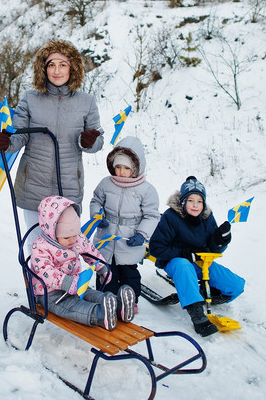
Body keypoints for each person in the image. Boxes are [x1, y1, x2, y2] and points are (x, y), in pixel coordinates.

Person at [0, 40, 103, 248]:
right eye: (51, 64)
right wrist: (6, 143)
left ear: (72, 68)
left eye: (63, 65)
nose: (56, 71)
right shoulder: (30, 98)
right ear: (43, 69)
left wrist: (89, 141)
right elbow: (19, 136)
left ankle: (65, 282)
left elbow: (97, 141)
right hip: (34, 185)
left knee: (65, 247)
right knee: (36, 247)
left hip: (68, 187)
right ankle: (34, 281)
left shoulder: (86, 102)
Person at [148, 176, 245, 337]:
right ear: (183, 201)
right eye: (191, 200)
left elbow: (213, 249)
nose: (195, 205)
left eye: (199, 201)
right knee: (184, 266)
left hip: (200, 261)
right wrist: (183, 253)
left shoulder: (207, 217)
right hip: (176, 261)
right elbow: (156, 248)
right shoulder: (171, 217)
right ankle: (198, 315)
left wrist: (221, 240)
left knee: (235, 285)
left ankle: (202, 292)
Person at [29, 195, 136, 330]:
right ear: (52, 232)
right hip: (49, 293)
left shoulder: (76, 238)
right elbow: (45, 272)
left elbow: (90, 251)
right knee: (71, 307)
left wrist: (102, 268)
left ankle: (119, 306)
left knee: (92, 294)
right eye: (67, 237)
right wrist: (65, 282)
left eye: (75, 234)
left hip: (77, 285)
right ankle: (99, 315)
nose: (72, 240)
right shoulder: (40, 247)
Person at [89, 136, 159, 316]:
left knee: (129, 274)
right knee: (106, 271)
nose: (121, 171)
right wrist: (98, 215)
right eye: (118, 167)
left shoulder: (146, 190)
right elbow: (96, 200)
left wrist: (142, 234)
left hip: (129, 240)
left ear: (135, 168)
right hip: (107, 237)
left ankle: (130, 301)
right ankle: (106, 298)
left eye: (126, 168)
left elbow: (151, 216)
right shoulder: (106, 183)